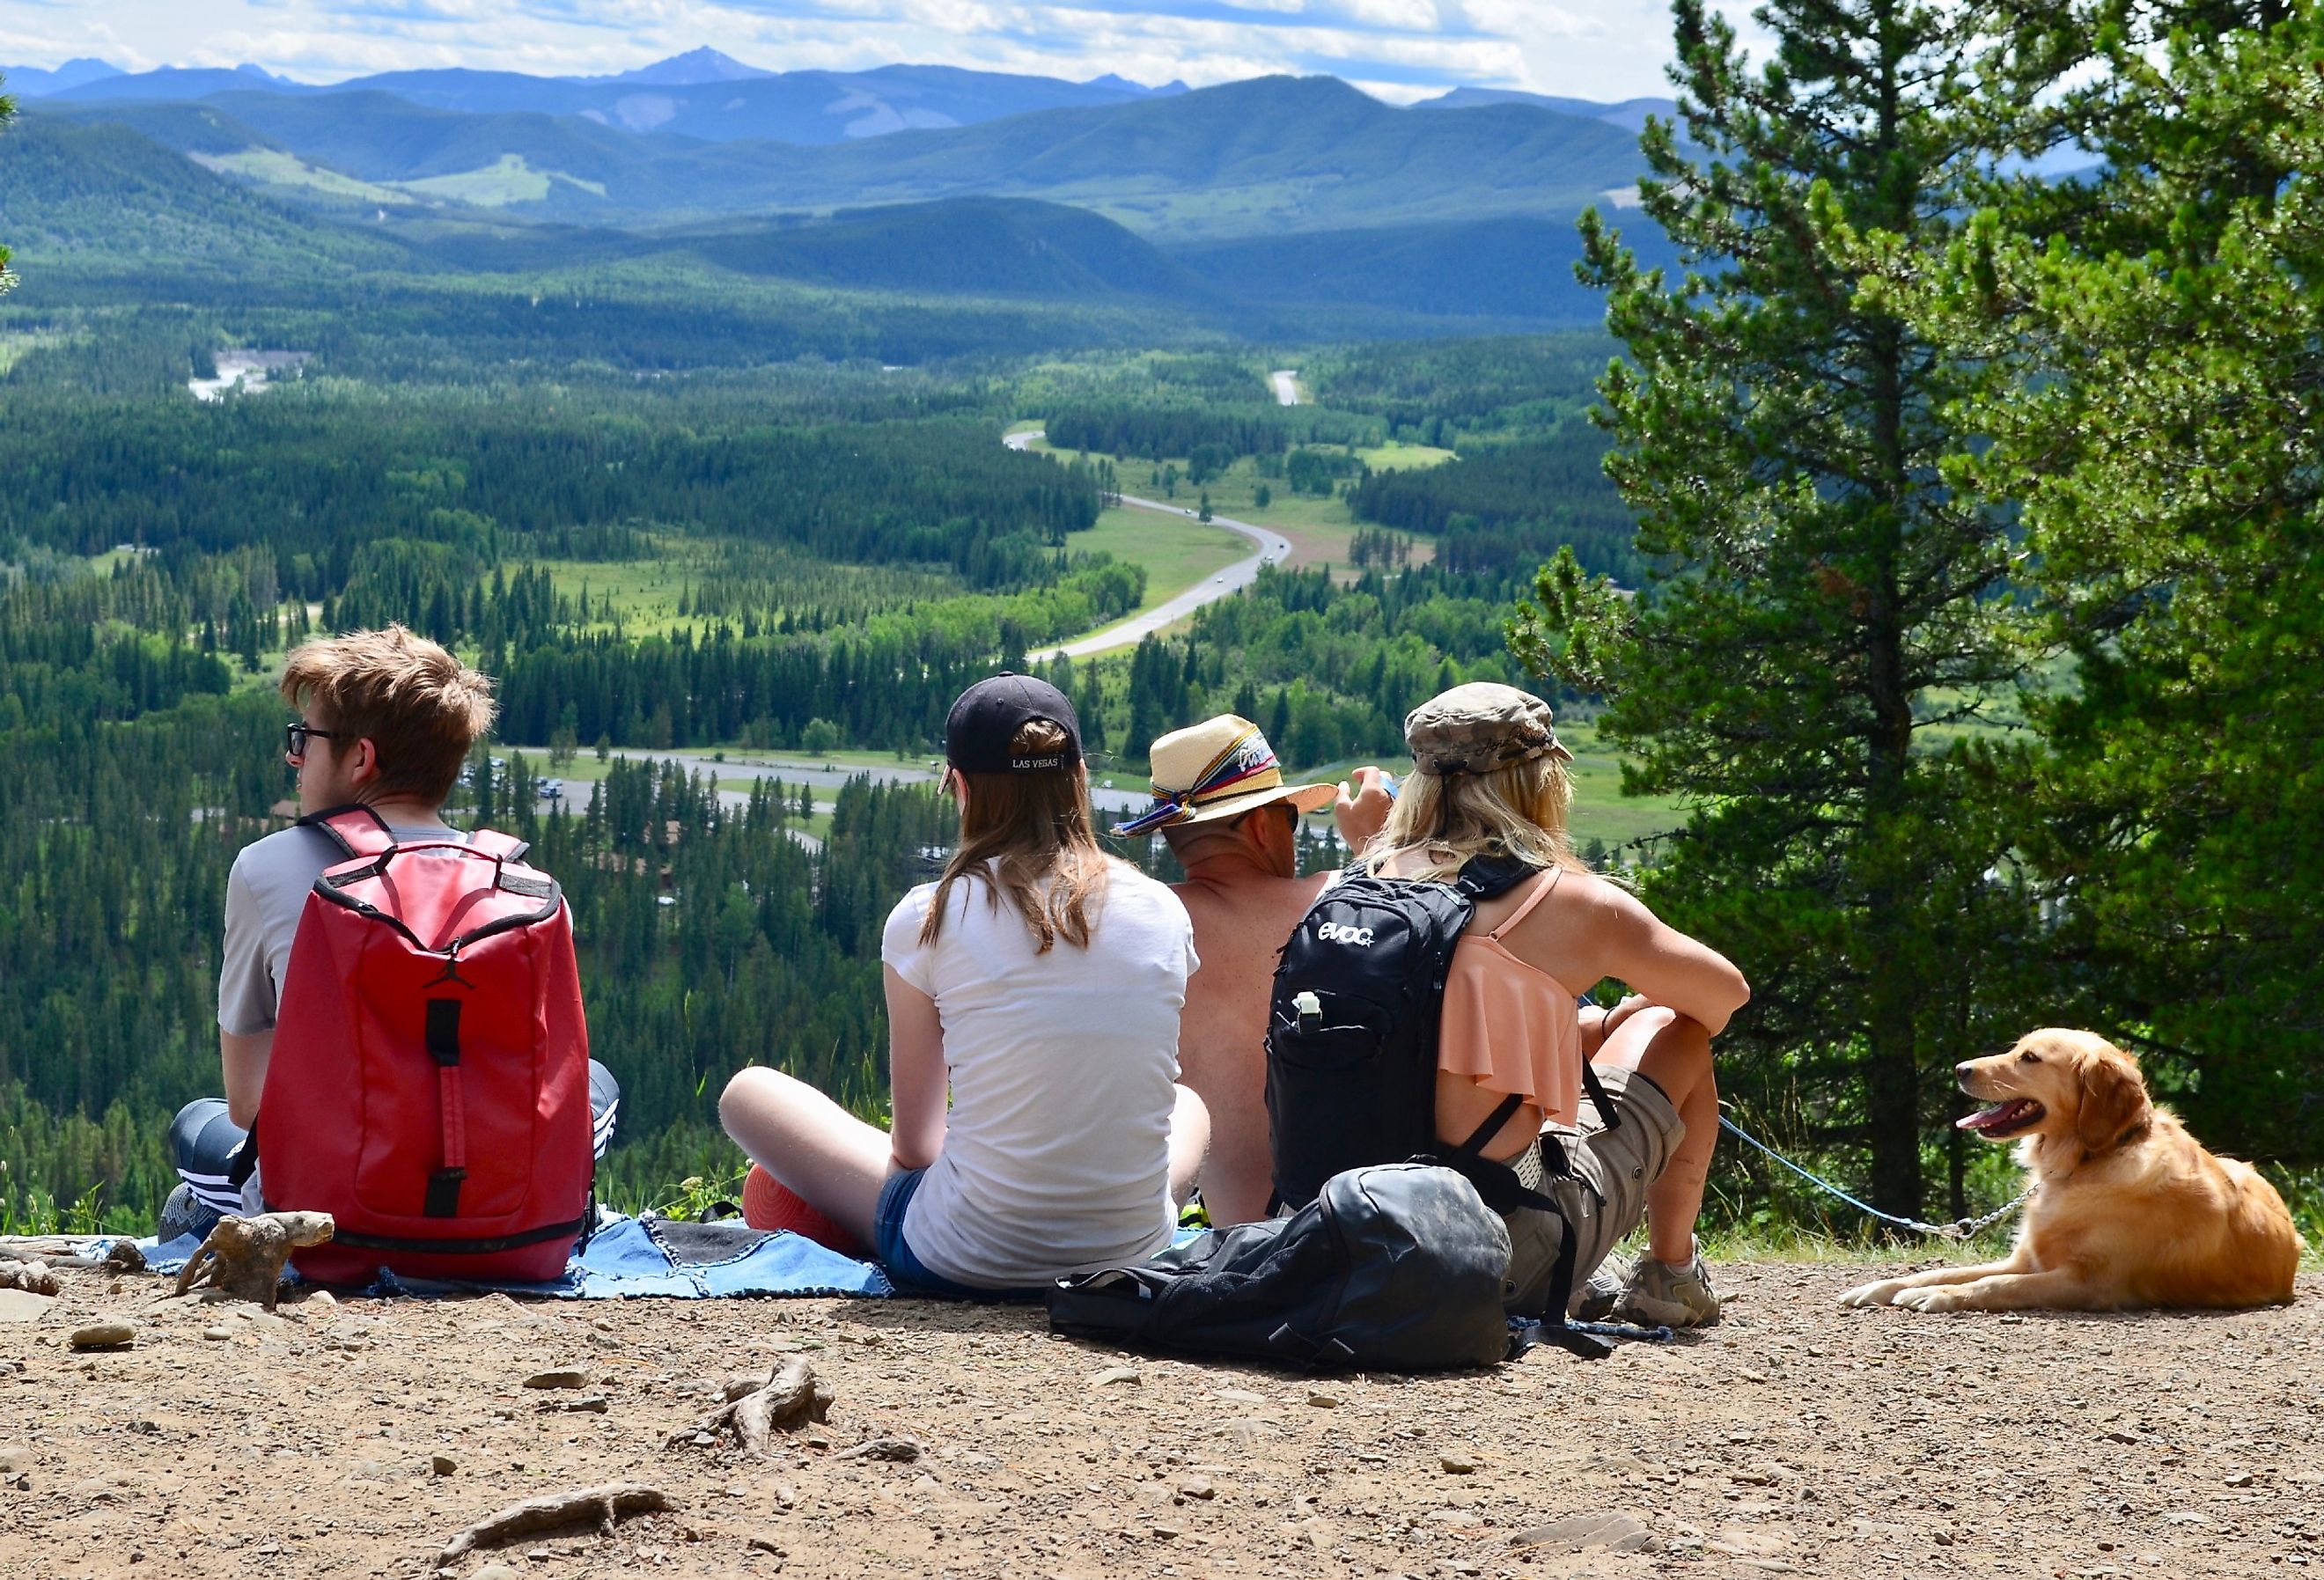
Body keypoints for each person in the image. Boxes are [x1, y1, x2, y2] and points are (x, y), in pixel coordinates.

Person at [720, 672, 1210, 1296]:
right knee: (1189, 1104)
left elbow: (917, 1147)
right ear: (1081, 777)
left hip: (962, 1257)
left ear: (959, 785)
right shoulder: (1164, 909)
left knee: (747, 1092)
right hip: (1126, 1253)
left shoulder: (929, 915)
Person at [163, 625, 621, 1239]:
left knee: (200, 1122)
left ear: (360, 758)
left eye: (305, 738)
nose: (294, 757)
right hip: (508, 1228)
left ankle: (193, 1224)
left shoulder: (263, 867)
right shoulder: (524, 885)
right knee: (596, 1081)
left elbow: (250, 1105)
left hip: (333, 1222)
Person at [1358, 682, 1749, 1326]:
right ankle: (1670, 1274)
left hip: (1356, 1230)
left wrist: (1583, 1026)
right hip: (1494, 1254)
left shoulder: (1363, 887)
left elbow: (1437, 1031)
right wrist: (1629, 1002)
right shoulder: (1563, 900)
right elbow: (1724, 994)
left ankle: (1617, 1272)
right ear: (1537, 781)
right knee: (1672, 1026)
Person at [1112, 715, 1393, 1226]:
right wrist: (1379, 846)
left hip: (1237, 1247)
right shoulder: (1345, 900)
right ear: (1263, 825)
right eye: (1291, 818)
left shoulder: (1144, 926)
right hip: (1367, 1227)